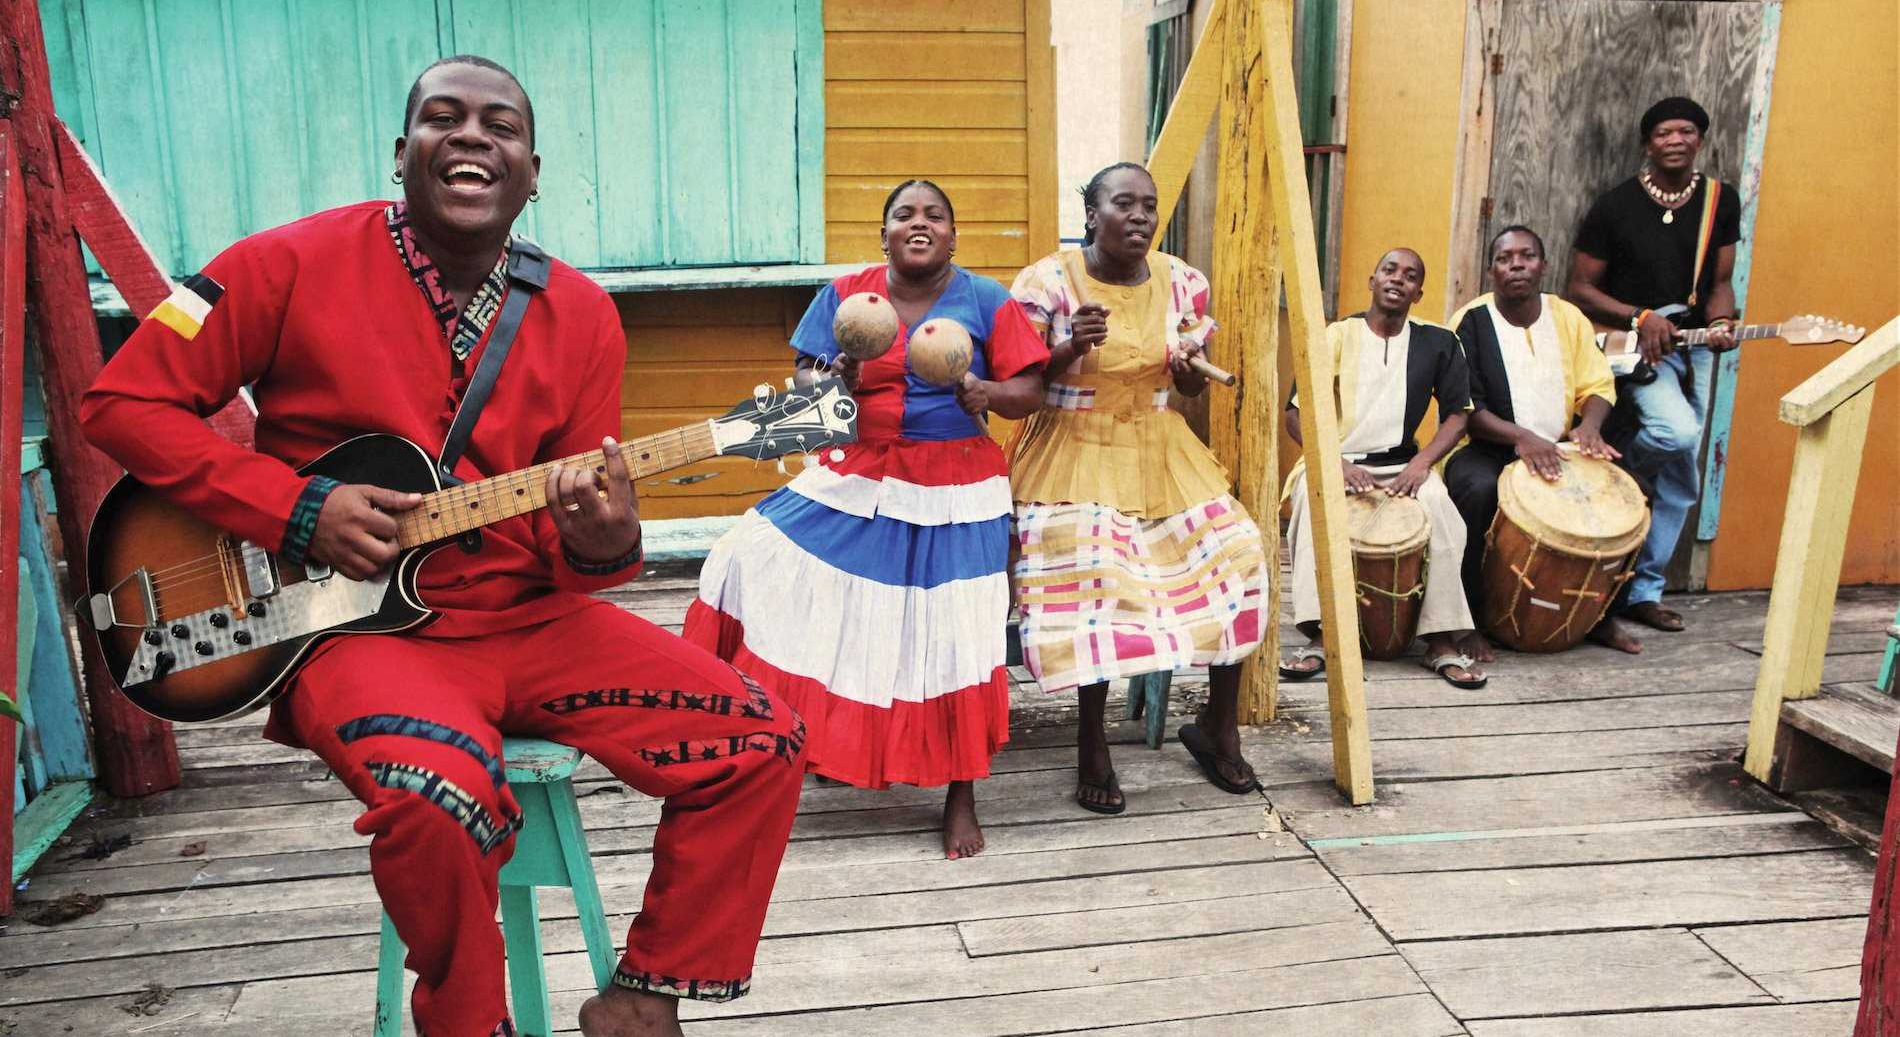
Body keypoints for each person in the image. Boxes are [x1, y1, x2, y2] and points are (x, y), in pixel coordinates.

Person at [80, 57, 805, 1037]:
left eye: (501, 126)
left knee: (760, 742)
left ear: (532, 173)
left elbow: (572, 547)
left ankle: (642, 1000)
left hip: (529, 621)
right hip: (354, 634)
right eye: (444, 118)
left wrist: (604, 543)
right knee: (434, 796)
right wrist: (294, 509)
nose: (472, 136)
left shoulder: (584, 315)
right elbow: (121, 403)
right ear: (402, 152)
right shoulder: (279, 264)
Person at [685, 180, 1048, 860]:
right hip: (861, 467)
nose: (919, 223)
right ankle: (806, 739)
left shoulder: (986, 300)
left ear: (953, 236)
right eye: (904, 214)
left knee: (956, 631)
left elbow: (1032, 388)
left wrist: (988, 391)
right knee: (750, 555)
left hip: (958, 483)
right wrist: (837, 380)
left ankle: (961, 794)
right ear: (884, 235)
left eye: (935, 215)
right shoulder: (849, 293)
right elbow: (806, 379)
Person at [1009, 163, 1270, 815]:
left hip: (1159, 449)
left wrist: (1188, 368)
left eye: (1148, 206)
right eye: (1123, 204)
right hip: (1072, 448)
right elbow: (1019, 386)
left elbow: (1188, 386)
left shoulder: (1181, 282)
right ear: (1090, 215)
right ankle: (1090, 739)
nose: (1140, 217)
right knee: (1098, 564)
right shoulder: (1047, 282)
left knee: (1241, 553)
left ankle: (1217, 726)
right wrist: (1067, 348)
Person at [1567, 96, 1740, 634]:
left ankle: (1644, 591)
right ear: (1648, 144)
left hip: (1693, 344)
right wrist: (1639, 317)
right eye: (1664, 132)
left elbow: (1719, 283)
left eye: (1686, 131)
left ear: (1700, 140)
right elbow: (1579, 289)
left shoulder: (1719, 201)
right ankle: (1625, 473)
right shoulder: (1616, 206)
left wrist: (1722, 321)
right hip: (1635, 347)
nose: (1675, 140)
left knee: (1684, 475)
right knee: (1676, 433)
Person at [1279, 249, 1484, 688]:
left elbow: (1458, 415)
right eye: (1390, 270)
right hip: (1337, 460)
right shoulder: (1336, 336)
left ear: (1418, 293)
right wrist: (1335, 464)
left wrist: (1422, 464)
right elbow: (1295, 414)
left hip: (1404, 464)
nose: (1398, 280)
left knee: (1443, 512)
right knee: (1312, 505)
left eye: (1410, 276)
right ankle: (1323, 636)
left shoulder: (1438, 341)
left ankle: (1440, 640)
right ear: (1372, 280)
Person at [1447, 225, 1642, 658]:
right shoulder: (1470, 322)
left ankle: (1602, 616)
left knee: (1632, 493)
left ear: (1544, 266)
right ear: (1492, 271)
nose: (1516, 265)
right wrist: (1520, 437)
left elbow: (1597, 384)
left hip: (1558, 448)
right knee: (1476, 492)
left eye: (1527, 256)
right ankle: (1466, 621)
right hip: (1487, 447)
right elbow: (1466, 407)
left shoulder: (1568, 317)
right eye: (1505, 258)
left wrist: (1589, 427)